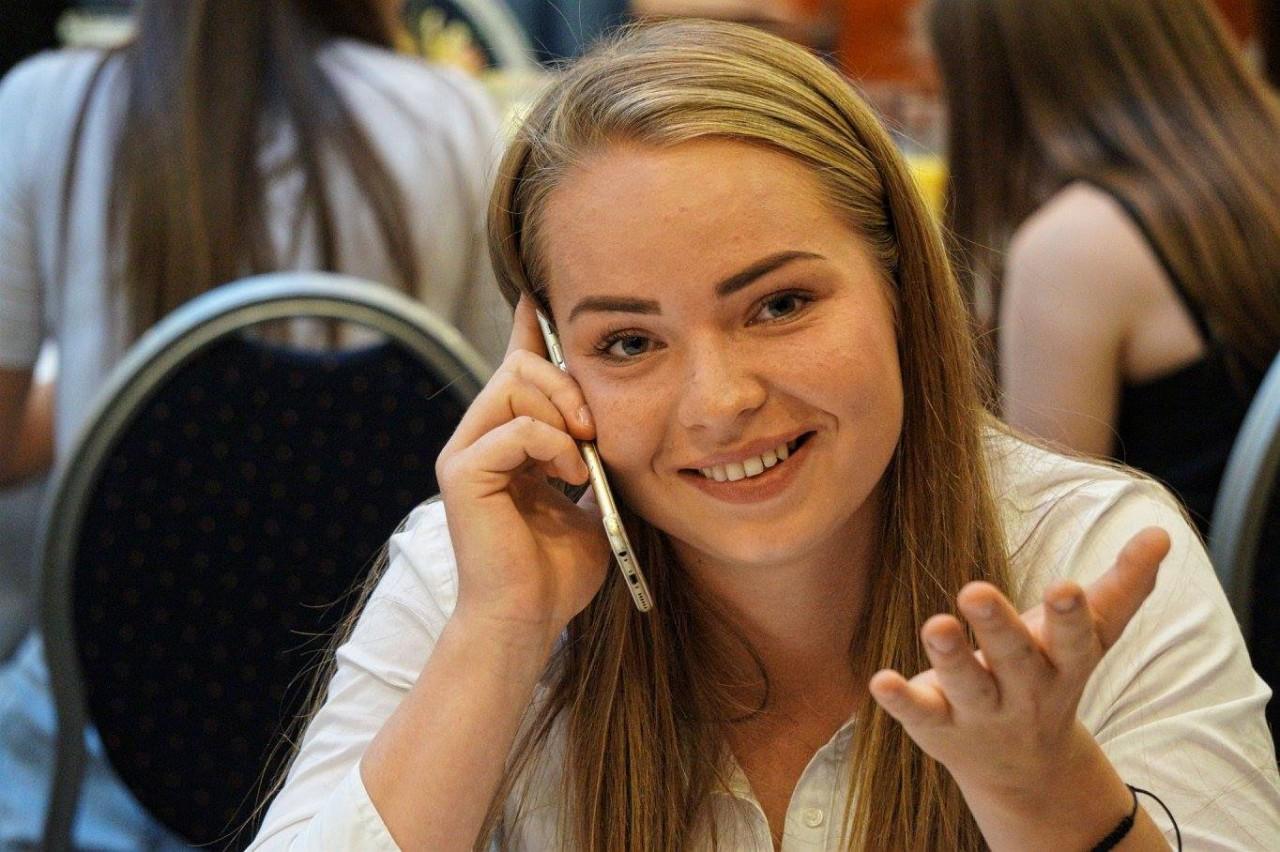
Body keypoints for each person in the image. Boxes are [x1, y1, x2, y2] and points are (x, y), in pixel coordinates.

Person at [251, 20, 1279, 851]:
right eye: (627, 343)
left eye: (779, 305)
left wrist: (1044, 793)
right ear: (550, 364)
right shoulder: (474, 576)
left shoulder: (1080, 559)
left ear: (901, 288)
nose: (718, 401)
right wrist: (500, 632)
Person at [0, 0, 507, 846]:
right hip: (384, 721)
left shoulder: (44, 106)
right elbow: (492, 410)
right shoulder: (449, 116)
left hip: (103, 737)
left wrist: (113, 395)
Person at [926, 0, 1280, 741]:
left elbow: (1038, 532)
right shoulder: (1259, 150)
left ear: (991, 76)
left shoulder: (1076, 245)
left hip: (1181, 668)